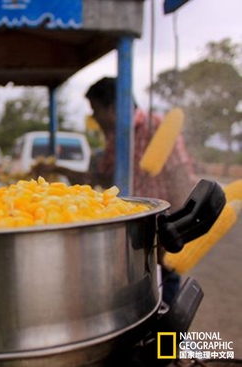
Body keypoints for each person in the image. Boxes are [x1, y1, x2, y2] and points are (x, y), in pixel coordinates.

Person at [84, 77, 199, 305]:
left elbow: (181, 178)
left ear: (113, 107)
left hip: (161, 227)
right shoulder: (116, 137)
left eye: (96, 110)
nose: (94, 117)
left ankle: (167, 340)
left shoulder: (155, 127)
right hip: (130, 231)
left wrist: (175, 230)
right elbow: (104, 177)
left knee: (166, 298)